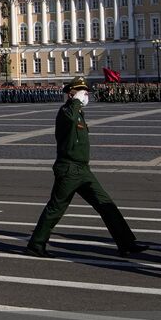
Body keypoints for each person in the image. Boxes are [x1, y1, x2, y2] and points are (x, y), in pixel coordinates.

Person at [24, 78, 148, 258]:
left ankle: (126, 243)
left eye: (85, 91)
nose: (85, 94)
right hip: (69, 169)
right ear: (70, 94)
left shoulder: (78, 112)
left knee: (106, 204)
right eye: (80, 91)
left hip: (82, 170)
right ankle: (36, 244)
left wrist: (77, 103)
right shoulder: (66, 111)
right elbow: (71, 119)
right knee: (55, 209)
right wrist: (75, 101)